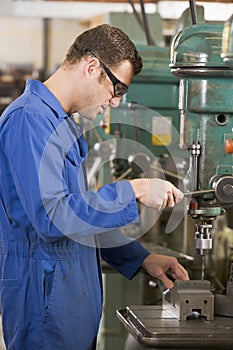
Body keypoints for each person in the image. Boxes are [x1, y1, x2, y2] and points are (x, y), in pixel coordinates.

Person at [0, 24, 189, 350]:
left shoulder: (63, 124)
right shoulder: (29, 120)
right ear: (91, 67)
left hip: (69, 297)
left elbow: (82, 220)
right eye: (116, 87)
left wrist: (141, 258)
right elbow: (52, 216)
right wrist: (134, 189)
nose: (115, 102)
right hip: (44, 299)